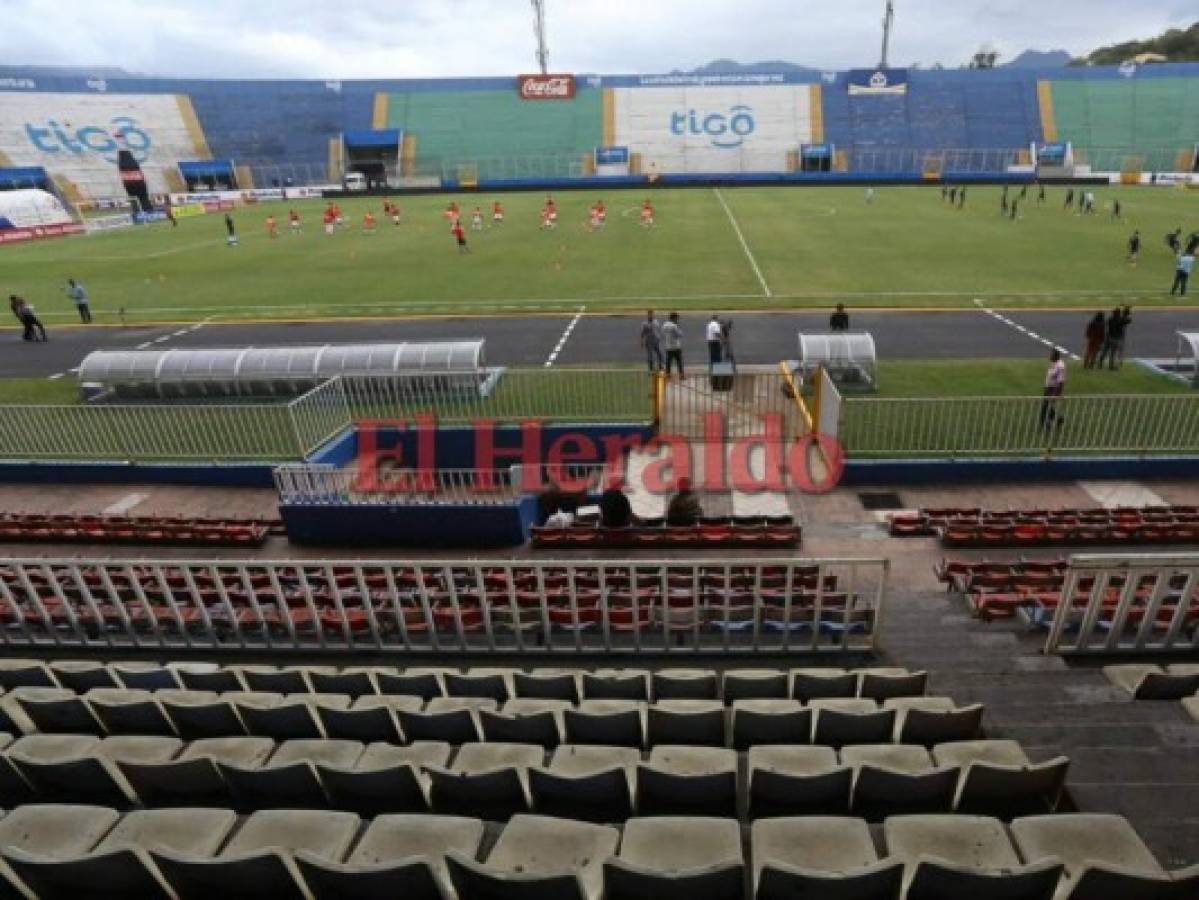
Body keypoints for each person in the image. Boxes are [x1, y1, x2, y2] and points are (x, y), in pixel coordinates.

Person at [1039, 349, 1066, 431]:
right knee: (1047, 406)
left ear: (1056, 356)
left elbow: (1061, 382)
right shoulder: (1054, 363)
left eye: (1051, 355)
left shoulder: (1060, 366)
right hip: (1049, 388)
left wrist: (1056, 394)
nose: (1049, 356)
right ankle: (1058, 419)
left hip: (1053, 389)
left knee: (1045, 407)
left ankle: (1043, 424)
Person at [662, 312, 683, 377]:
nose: (677, 320)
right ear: (674, 318)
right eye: (677, 318)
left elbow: (663, 332)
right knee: (679, 362)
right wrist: (678, 327)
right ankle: (681, 375)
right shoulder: (674, 326)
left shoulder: (665, 325)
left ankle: (668, 375)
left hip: (668, 346)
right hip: (676, 346)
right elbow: (680, 334)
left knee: (668, 362)